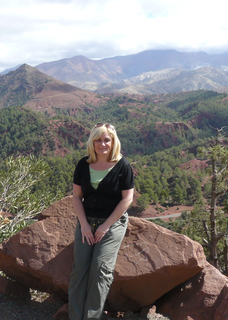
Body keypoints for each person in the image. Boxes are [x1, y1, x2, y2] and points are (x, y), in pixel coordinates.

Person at [68, 123, 135, 320]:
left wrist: (106, 226)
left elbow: (127, 199)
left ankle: (91, 317)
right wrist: (85, 225)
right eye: (98, 139)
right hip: (87, 221)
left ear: (114, 142)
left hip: (112, 223)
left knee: (100, 269)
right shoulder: (83, 164)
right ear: (92, 142)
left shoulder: (123, 166)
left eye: (107, 139)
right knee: (79, 269)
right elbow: (76, 197)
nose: (102, 144)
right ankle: (75, 316)